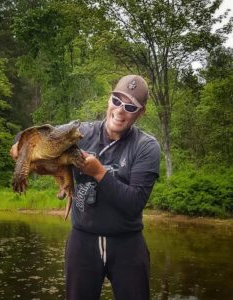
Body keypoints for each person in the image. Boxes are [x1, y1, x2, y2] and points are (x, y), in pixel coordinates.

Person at [10, 75, 160, 300]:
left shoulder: (146, 147)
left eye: (130, 106)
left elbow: (134, 203)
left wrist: (99, 173)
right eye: (117, 101)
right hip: (82, 242)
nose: (120, 110)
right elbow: (38, 137)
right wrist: (20, 148)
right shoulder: (83, 133)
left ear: (141, 112)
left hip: (128, 244)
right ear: (109, 100)